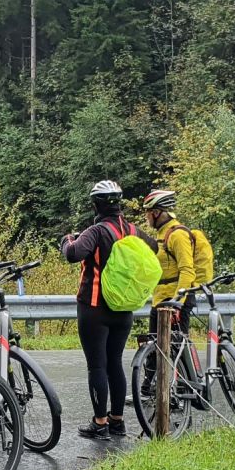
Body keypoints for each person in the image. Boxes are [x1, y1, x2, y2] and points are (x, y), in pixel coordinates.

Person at [61, 180, 151, 440]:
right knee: (115, 363)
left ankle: (99, 423)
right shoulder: (134, 230)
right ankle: (117, 421)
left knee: (97, 366)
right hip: (124, 307)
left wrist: (67, 240)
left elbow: (73, 254)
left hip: (94, 307)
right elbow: (153, 250)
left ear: (95, 204)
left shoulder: (96, 231)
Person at [142, 189, 199, 308]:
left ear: (156, 213)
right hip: (161, 300)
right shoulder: (162, 233)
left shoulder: (178, 235)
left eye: (148, 212)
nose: (146, 216)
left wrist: (177, 302)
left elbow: (187, 271)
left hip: (174, 302)